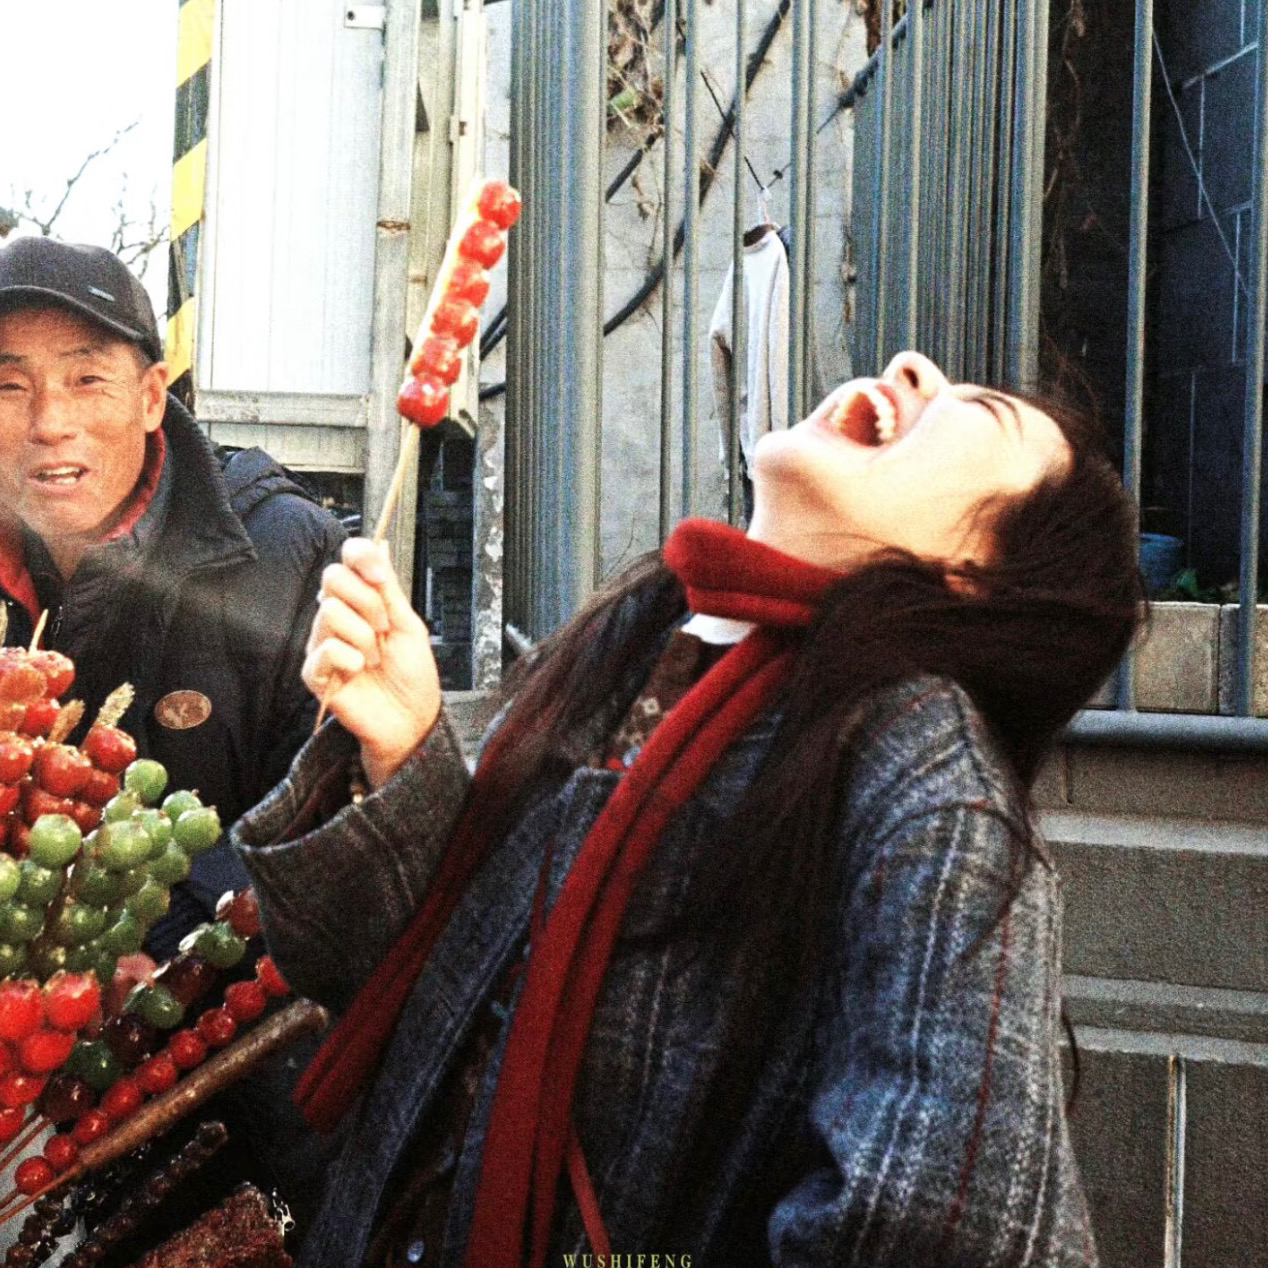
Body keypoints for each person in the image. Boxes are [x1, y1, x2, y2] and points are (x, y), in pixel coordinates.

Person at [235, 351, 1142, 1266]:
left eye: (977, 413)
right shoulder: (635, 640)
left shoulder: (928, 776)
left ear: (976, 580)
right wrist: (403, 754)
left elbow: (945, 1227)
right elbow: (424, 1002)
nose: (913, 364)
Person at [0, 236, 347, 1231]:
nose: (49, 421)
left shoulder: (285, 556)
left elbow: (325, 818)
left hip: (237, 1079)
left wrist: (151, 946)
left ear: (153, 397)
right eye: (10, 386)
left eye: (86, 378)